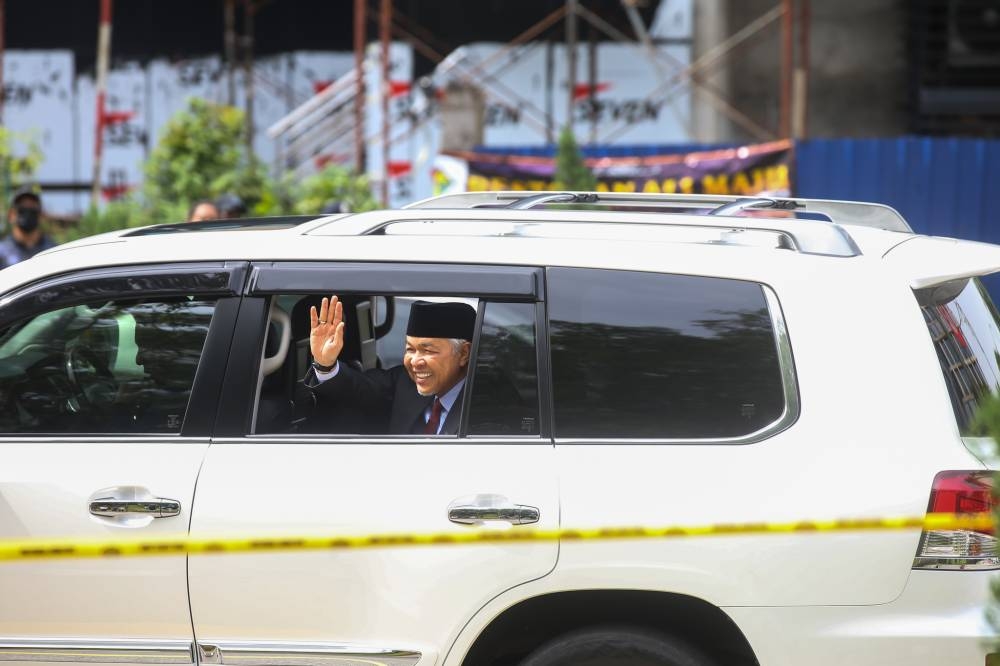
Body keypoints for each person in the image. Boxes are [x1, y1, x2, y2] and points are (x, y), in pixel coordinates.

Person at [305, 295, 476, 435]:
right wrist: (326, 364)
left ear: (463, 354)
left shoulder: (488, 403)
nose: (415, 361)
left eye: (428, 351)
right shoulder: (405, 382)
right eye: (410, 349)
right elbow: (357, 388)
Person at [0, 186, 56, 269]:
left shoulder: (53, 251)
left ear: (41, 215)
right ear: (11, 215)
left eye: (32, 208)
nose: (28, 213)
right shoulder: (2, 252)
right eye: (22, 208)